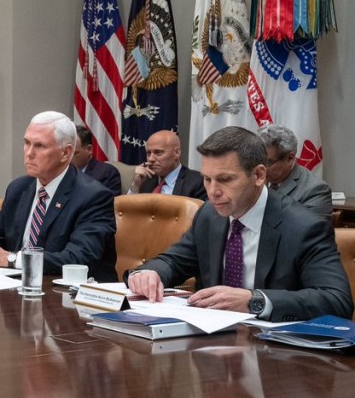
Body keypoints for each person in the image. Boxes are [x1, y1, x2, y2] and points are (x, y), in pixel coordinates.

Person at [127, 126, 352, 321]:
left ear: (259, 175)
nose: (213, 191)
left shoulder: (303, 227)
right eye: (207, 179)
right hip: (211, 346)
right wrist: (150, 273)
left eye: (225, 179)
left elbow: (336, 300)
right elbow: (174, 261)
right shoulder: (209, 215)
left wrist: (255, 301)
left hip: (276, 354)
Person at [0, 111, 118, 282]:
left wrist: (10, 259)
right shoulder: (18, 188)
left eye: (40, 146)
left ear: (66, 153)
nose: (29, 153)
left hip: (72, 295)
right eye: (27, 143)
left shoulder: (93, 196)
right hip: (16, 288)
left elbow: (77, 259)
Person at [257, 124, 333, 221]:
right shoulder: (254, 179)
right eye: (258, 160)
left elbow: (312, 233)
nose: (261, 168)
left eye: (268, 162)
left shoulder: (315, 190)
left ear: (290, 158)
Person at [128, 130, 207, 200]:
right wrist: (135, 186)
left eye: (158, 152)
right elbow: (128, 214)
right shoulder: (145, 180)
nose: (151, 159)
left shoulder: (198, 182)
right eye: (148, 153)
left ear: (176, 153)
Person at [72, 125, 122, 196]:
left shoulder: (107, 173)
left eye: (74, 154)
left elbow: (109, 204)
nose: (67, 159)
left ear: (89, 149)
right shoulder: (60, 172)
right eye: (65, 153)